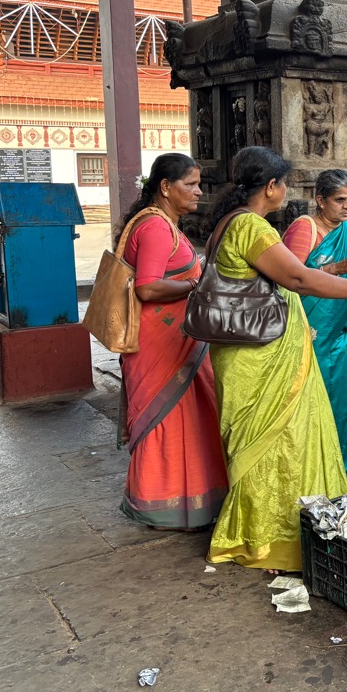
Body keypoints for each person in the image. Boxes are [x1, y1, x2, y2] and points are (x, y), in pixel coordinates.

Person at [204, 146, 347, 572]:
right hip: (259, 358)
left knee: (274, 444)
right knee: (275, 444)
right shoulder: (252, 228)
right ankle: (270, 534)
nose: (287, 191)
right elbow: (300, 277)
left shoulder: (230, 223)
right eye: (283, 183)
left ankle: (268, 525)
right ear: (271, 186)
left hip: (253, 353)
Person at [115, 153, 227, 529]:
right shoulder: (156, 229)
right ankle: (162, 503)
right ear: (165, 187)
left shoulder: (162, 223)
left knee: (190, 416)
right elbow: (147, 288)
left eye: (198, 184)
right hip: (160, 343)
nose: (198, 192)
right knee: (167, 416)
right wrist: (196, 285)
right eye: (191, 185)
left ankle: (194, 499)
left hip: (174, 338)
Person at [281, 169, 347, 473]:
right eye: (339, 199)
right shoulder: (305, 228)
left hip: (343, 328)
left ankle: (345, 464)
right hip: (311, 329)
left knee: (345, 396)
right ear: (320, 200)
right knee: (315, 396)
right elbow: (288, 277)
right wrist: (334, 267)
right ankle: (315, 466)